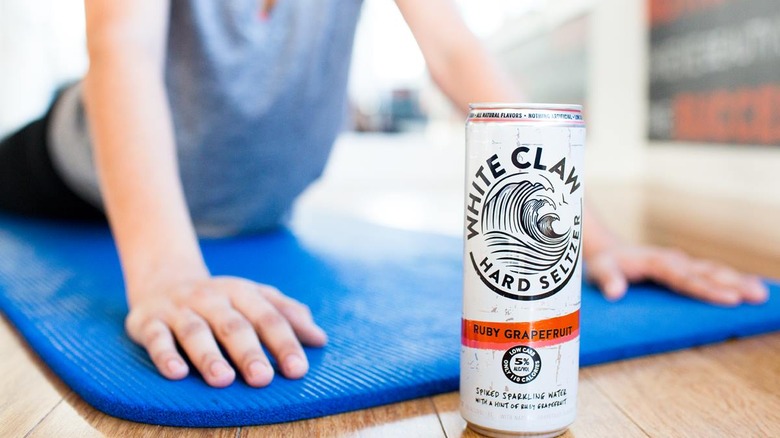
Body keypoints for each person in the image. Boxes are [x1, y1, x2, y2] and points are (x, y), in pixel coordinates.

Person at [0, 0, 768, 389]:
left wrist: (595, 241)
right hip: (81, 166)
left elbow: (455, 52)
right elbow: (123, 49)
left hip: (252, 200)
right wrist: (167, 274)